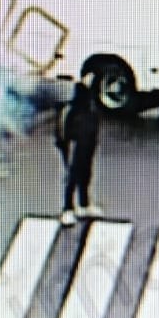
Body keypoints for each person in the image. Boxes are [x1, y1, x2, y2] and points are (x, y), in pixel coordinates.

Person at [55, 74, 102, 227]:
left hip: (87, 138)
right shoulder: (70, 105)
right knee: (73, 174)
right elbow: (62, 126)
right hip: (75, 140)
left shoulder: (89, 102)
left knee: (85, 172)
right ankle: (67, 209)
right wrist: (64, 143)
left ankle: (84, 204)